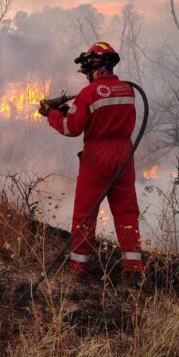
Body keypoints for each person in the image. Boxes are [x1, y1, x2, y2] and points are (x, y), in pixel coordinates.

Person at [39, 41, 144, 285]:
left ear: (94, 67)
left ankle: (79, 269)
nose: (87, 76)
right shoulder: (128, 91)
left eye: (87, 71)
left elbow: (71, 128)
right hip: (124, 156)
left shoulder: (89, 93)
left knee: (85, 215)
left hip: (97, 157)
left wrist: (52, 114)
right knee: (127, 212)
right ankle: (134, 269)